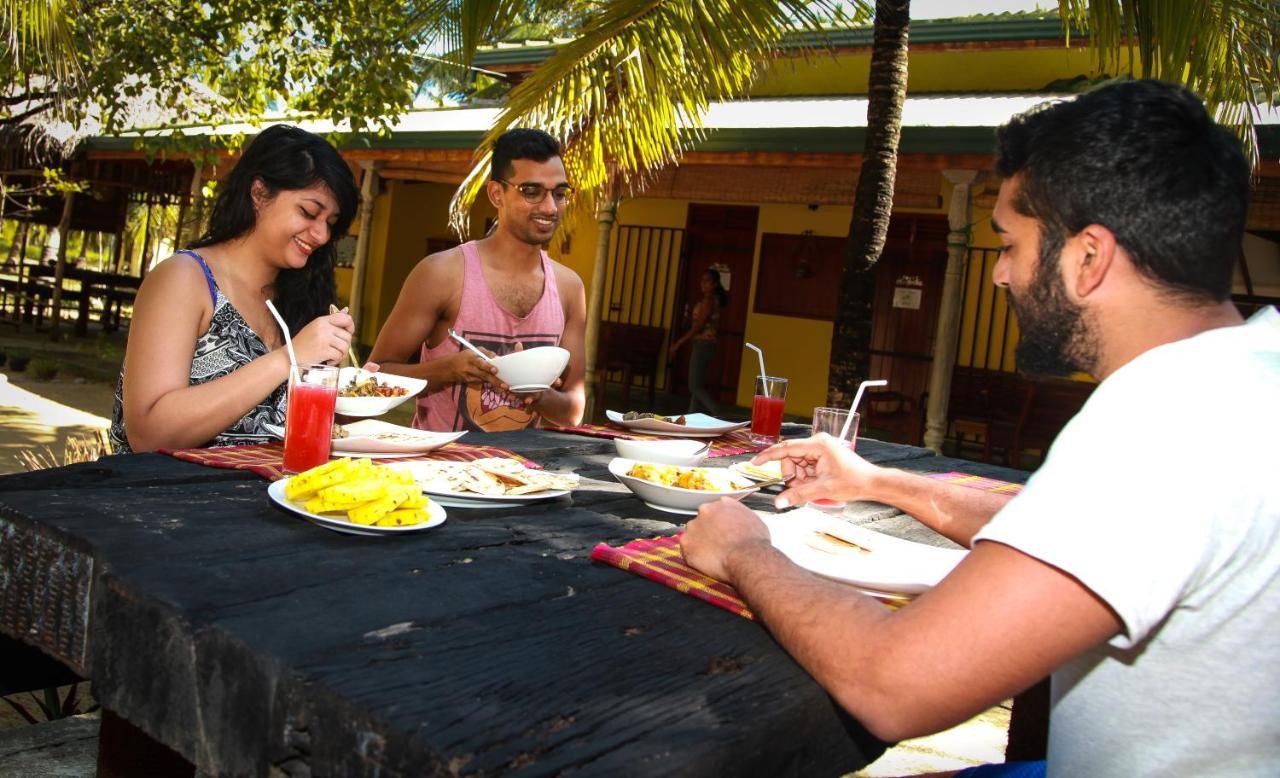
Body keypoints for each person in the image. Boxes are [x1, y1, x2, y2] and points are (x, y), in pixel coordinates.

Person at [681, 79, 1279, 777]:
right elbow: (1079, 526)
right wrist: (877, 481)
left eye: (1009, 244)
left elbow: (894, 683)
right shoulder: (1246, 375)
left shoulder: (1162, 422)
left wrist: (744, 550)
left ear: (1088, 258)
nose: (1001, 276)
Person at [110, 125, 358, 452]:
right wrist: (289, 358)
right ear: (258, 193)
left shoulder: (298, 296)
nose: (322, 235)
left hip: (275, 496)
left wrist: (349, 397)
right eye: (308, 212)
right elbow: (148, 434)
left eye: (330, 223)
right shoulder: (185, 279)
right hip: (166, 497)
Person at [369, 128, 586, 432]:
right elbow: (375, 376)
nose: (550, 208)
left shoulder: (569, 288)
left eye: (559, 194)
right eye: (532, 191)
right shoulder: (442, 273)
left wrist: (538, 394)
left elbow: (572, 411)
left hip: (523, 472)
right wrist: (449, 370)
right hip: (440, 470)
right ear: (497, 193)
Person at [670, 267, 727, 414]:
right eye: (702, 280)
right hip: (705, 345)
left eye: (707, 281)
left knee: (694, 386)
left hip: (704, 344)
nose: (703, 284)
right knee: (698, 385)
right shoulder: (710, 300)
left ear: (714, 284)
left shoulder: (709, 301)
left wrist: (678, 343)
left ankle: (715, 410)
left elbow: (698, 326)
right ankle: (691, 415)